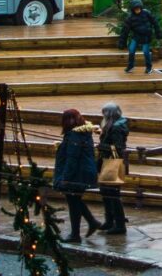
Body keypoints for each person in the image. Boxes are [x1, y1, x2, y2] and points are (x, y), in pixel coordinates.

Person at [53, 109, 103, 243]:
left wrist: (65, 178)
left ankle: (76, 234)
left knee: (74, 201)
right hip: (83, 172)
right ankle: (91, 222)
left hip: (77, 174)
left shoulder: (74, 135)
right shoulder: (83, 132)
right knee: (75, 200)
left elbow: (72, 158)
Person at [97, 102, 129, 234]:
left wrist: (100, 147)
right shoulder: (112, 125)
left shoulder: (116, 128)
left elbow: (118, 147)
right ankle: (109, 220)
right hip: (108, 162)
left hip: (113, 163)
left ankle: (120, 224)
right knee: (106, 193)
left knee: (112, 195)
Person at [120, 0, 160, 74]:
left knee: (146, 52)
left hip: (146, 36)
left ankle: (149, 67)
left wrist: (158, 33)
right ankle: (131, 66)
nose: (137, 10)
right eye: (135, 8)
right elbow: (125, 31)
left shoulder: (147, 13)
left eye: (138, 8)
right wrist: (122, 42)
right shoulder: (130, 18)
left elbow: (155, 22)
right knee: (131, 51)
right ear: (133, 9)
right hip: (136, 36)